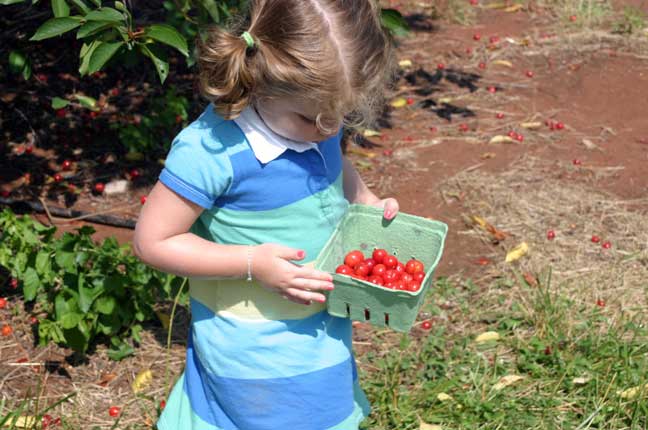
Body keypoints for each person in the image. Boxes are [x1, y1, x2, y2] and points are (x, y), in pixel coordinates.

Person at [133, 0, 398, 428]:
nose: (330, 130)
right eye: (313, 118)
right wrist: (252, 262)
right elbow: (153, 241)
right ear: (261, 81)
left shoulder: (313, 119)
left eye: (341, 116)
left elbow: (332, 166)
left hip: (318, 330)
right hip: (251, 346)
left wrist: (365, 200)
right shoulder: (211, 152)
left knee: (320, 409)